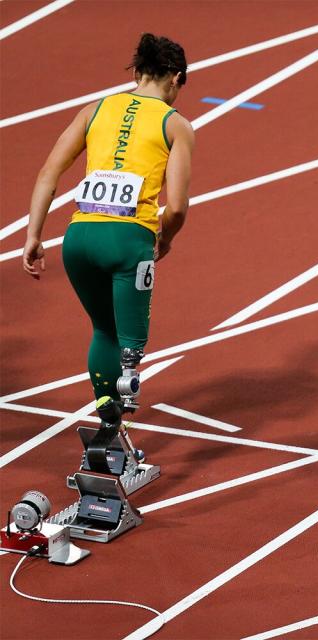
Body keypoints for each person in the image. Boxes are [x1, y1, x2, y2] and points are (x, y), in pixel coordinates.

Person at [22, 33, 195, 414]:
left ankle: (106, 424)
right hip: (128, 241)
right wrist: (164, 238)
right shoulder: (175, 124)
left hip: (78, 239)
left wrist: (34, 235)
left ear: (136, 72)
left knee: (104, 331)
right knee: (131, 343)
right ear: (177, 78)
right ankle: (115, 430)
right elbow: (178, 207)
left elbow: (49, 172)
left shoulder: (95, 109)